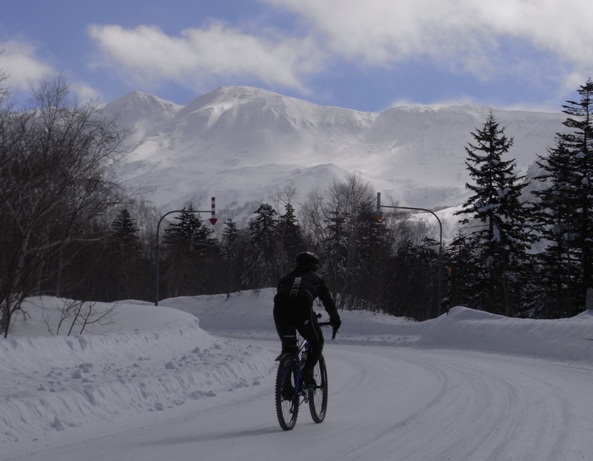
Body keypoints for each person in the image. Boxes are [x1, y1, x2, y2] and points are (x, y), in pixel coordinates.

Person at [273, 251, 341, 387]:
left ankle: (286, 384)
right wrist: (335, 319)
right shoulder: (317, 278)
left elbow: (285, 296)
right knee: (317, 341)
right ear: (315, 266)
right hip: (302, 310)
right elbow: (328, 302)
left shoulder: (285, 278)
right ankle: (308, 371)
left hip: (280, 311)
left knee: (288, 346)